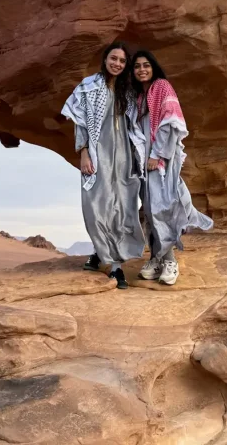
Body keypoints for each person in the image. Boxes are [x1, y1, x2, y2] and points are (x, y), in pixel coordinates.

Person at [61, 41, 147, 289]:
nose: (117, 64)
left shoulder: (128, 92)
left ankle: (111, 263)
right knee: (97, 206)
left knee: (122, 206)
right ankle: (107, 258)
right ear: (105, 59)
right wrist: (84, 153)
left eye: (122, 61)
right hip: (99, 154)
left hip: (124, 156)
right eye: (114, 59)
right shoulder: (89, 86)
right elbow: (80, 124)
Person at [130, 49, 214, 286]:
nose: (142, 70)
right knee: (148, 209)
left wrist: (158, 155)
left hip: (161, 160)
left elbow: (170, 125)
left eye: (146, 65)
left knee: (162, 207)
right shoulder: (138, 96)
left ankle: (169, 261)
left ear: (153, 67)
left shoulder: (162, 88)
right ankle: (156, 257)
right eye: (137, 66)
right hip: (143, 161)